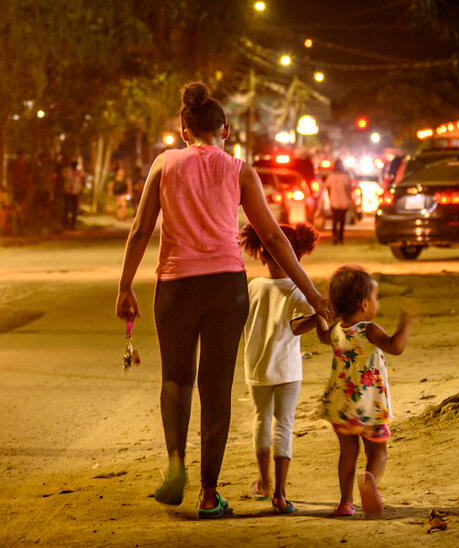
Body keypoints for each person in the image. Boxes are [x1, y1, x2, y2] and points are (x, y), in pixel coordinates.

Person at [115, 81, 330, 520]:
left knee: (176, 379)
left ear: (183, 130)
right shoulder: (239, 170)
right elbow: (272, 236)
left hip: (175, 285)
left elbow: (140, 231)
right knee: (216, 388)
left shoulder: (164, 164)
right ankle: (210, 494)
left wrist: (124, 287)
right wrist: (312, 294)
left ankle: (175, 463)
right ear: (225, 131)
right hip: (225, 285)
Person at [317, 265, 415, 517]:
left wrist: (318, 315)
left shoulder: (336, 331)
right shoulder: (369, 329)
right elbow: (395, 347)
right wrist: (406, 321)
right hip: (370, 406)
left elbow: (322, 336)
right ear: (363, 304)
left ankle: (345, 502)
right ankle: (369, 478)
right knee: (378, 450)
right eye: (375, 298)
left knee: (347, 453)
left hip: (340, 407)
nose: (376, 304)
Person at [239, 221, 322, 516]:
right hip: (288, 370)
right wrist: (320, 315)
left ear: (261, 254)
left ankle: (263, 482)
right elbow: (298, 328)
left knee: (261, 420)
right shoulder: (300, 292)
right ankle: (281, 494)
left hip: (257, 367)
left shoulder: (253, 287)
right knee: (283, 424)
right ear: (298, 255)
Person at [322, 161, 357, 245]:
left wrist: (330, 197)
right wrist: (349, 199)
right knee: (341, 221)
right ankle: (340, 238)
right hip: (343, 201)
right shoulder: (345, 177)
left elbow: (328, 188)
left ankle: (335, 237)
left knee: (335, 220)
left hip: (334, 201)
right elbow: (349, 189)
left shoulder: (331, 177)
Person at [62, 157, 84, 229]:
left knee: (74, 209)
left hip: (75, 192)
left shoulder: (79, 171)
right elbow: (64, 177)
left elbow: (83, 176)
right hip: (67, 192)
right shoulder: (67, 171)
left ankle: (72, 224)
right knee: (66, 208)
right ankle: (65, 223)